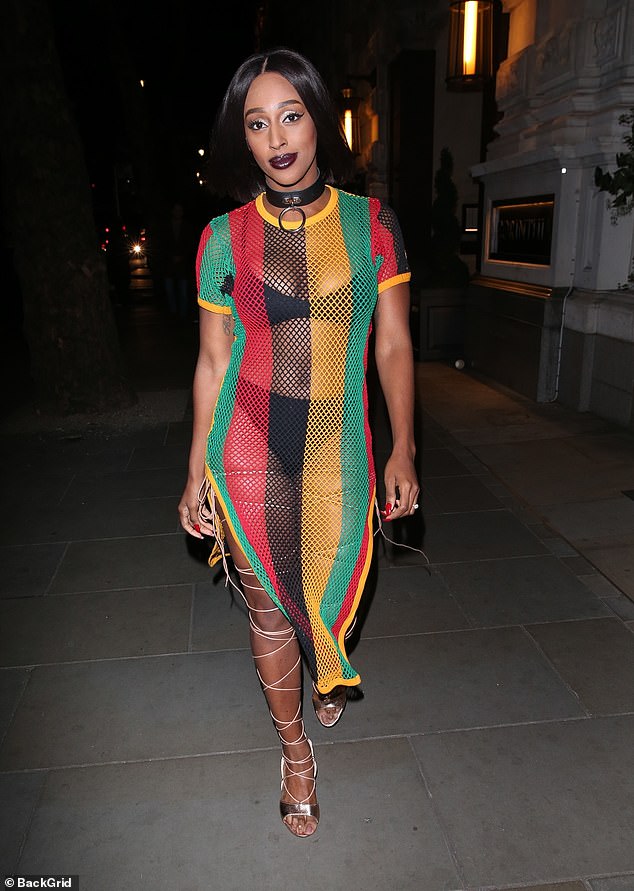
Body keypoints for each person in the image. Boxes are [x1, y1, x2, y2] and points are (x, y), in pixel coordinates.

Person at [178, 46, 420, 838]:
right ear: (241, 138)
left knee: (328, 577)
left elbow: (392, 343)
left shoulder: (372, 225)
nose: (277, 138)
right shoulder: (223, 238)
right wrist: (194, 470)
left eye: (291, 116)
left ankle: (325, 650)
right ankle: (295, 754)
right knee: (266, 603)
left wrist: (404, 446)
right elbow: (213, 360)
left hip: (336, 438)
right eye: (257, 124)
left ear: (320, 119)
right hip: (247, 440)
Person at [163, 202, 197, 320]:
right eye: (176, 210)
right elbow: (162, 244)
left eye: (180, 210)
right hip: (169, 264)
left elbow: (191, 245)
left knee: (183, 292)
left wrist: (182, 256)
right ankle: (173, 313)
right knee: (170, 291)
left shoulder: (187, 226)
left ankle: (182, 315)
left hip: (183, 265)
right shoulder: (166, 226)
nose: (178, 212)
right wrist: (170, 256)